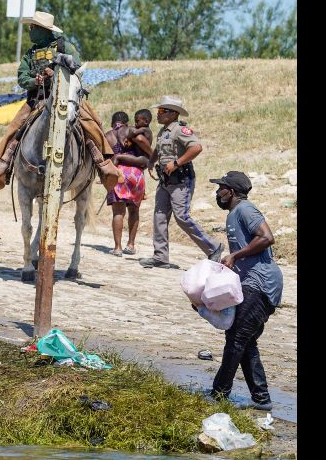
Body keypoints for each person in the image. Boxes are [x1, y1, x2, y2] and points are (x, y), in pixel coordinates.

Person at [0, 11, 119, 192]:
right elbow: (22, 77)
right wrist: (36, 81)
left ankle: (102, 163)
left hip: (67, 96)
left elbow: (76, 66)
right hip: (37, 99)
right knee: (15, 126)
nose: (30, 31)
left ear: (43, 30)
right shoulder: (29, 53)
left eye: (32, 28)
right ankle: (5, 163)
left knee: (91, 123)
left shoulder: (64, 45)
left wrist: (55, 67)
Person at [207, 171, 282, 411]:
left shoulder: (245, 210)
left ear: (231, 191)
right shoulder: (233, 215)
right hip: (249, 282)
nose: (217, 192)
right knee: (245, 341)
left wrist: (236, 255)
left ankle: (219, 394)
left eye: (221, 188)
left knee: (237, 338)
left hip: (261, 283)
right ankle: (261, 399)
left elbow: (267, 237)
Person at [139, 96, 223, 268]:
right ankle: (160, 257)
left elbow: (196, 147)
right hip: (165, 181)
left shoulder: (180, 130)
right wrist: (151, 161)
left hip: (181, 180)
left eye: (162, 111)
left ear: (173, 114)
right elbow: (158, 148)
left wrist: (177, 163)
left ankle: (213, 247)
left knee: (182, 217)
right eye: (159, 111)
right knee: (159, 217)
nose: (158, 114)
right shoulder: (163, 131)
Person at [104, 110, 152, 256]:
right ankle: (130, 245)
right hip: (135, 173)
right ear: (126, 121)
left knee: (118, 212)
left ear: (113, 123)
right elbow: (142, 141)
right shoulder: (130, 129)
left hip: (117, 173)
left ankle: (117, 248)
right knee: (134, 210)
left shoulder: (107, 135)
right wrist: (151, 155)